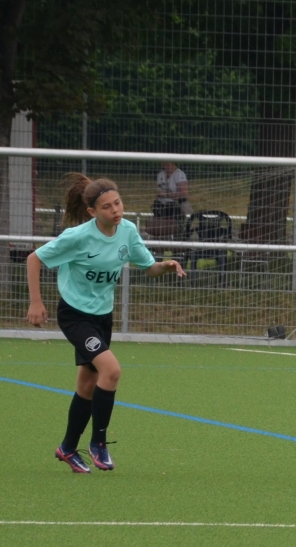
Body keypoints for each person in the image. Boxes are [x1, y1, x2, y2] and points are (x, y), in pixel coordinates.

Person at [25, 174, 187, 472]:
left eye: (118, 203)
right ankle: (98, 442)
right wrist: (36, 302)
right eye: (107, 206)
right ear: (92, 212)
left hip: (102, 316)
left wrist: (164, 266)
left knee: (87, 385)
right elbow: (34, 258)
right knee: (111, 370)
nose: (115, 210)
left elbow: (148, 266)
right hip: (75, 315)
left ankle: (67, 448)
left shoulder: (127, 231)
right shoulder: (78, 237)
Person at [151, 162, 189, 238]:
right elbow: (159, 190)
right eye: (164, 164)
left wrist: (167, 195)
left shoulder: (179, 174)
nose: (166, 166)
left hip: (175, 206)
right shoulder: (160, 175)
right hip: (161, 205)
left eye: (168, 164)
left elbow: (184, 194)